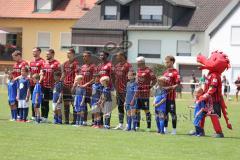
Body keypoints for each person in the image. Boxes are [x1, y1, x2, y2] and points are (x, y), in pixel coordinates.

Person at [136, 56, 157, 132]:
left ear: (141, 62)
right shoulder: (138, 70)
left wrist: (149, 87)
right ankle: (137, 126)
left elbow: (155, 80)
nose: (137, 64)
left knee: (146, 110)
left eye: (138, 62)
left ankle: (148, 127)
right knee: (137, 110)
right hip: (138, 93)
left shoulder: (148, 70)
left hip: (145, 94)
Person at [113, 51, 133, 130]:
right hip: (118, 90)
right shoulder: (117, 65)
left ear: (122, 56)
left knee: (127, 107)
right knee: (120, 107)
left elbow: (131, 77)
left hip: (126, 90)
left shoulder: (128, 65)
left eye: (118, 56)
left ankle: (128, 124)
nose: (116, 57)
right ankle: (120, 124)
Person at [40, 49, 61, 123]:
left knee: (55, 103)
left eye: (48, 54)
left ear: (52, 54)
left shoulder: (57, 63)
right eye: (46, 54)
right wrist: (40, 81)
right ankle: (44, 117)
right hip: (44, 86)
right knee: (44, 102)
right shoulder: (44, 63)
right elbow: (42, 73)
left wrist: (58, 84)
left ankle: (57, 119)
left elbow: (60, 74)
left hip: (53, 86)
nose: (46, 55)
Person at [61, 48, 79, 125]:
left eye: (69, 53)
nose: (67, 54)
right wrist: (60, 82)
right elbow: (63, 74)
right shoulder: (65, 63)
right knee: (66, 103)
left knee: (73, 103)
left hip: (72, 86)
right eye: (67, 53)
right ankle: (66, 120)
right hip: (65, 86)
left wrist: (74, 85)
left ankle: (75, 120)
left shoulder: (76, 63)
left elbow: (77, 75)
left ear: (73, 54)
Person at [163, 55, 180, 135]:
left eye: (167, 62)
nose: (166, 63)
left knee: (173, 113)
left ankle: (174, 130)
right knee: (164, 113)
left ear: (172, 62)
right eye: (165, 62)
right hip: (163, 97)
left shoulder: (176, 72)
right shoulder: (165, 72)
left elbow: (178, 84)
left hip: (171, 97)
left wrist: (170, 87)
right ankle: (165, 129)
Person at [80, 51, 96, 125]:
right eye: (83, 56)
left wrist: (87, 83)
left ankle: (93, 121)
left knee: (92, 106)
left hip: (91, 90)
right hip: (83, 90)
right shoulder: (82, 66)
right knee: (83, 106)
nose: (84, 57)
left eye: (85, 56)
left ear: (89, 57)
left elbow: (95, 78)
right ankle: (84, 121)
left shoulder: (93, 66)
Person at [29, 47, 45, 120]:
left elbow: (42, 73)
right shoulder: (31, 62)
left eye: (35, 51)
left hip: (38, 85)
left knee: (38, 100)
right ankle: (33, 116)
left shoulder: (42, 61)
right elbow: (29, 72)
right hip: (31, 84)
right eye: (33, 51)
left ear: (39, 52)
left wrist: (39, 82)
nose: (33, 53)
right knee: (33, 99)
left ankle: (41, 117)